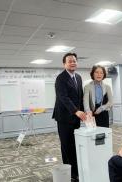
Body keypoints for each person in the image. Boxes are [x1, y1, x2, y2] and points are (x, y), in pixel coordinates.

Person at [52, 52, 86, 182]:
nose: (73, 63)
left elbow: (80, 97)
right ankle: (70, 173)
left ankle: (76, 170)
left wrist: (83, 111)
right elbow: (63, 98)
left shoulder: (78, 77)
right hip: (64, 117)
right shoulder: (61, 78)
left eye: (74, 61)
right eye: (70, 61)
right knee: (66, 145)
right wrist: (76, 111)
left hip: (76, 118)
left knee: (75, 144)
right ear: (64, 64)